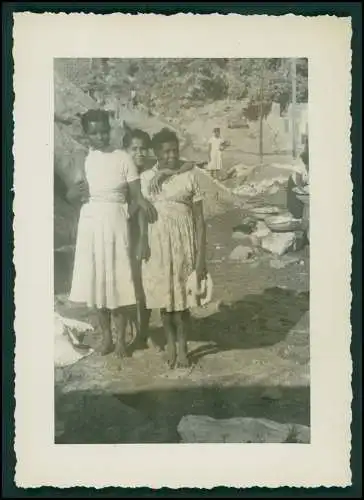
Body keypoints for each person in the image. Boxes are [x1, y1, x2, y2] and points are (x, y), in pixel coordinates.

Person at [68, 110, 154, 358]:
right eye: (94, 132)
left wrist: (143, 208)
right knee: (96, 283)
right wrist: (78, 192)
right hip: (91, 222)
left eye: (104, 130)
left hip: (116, 221)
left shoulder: (123, 158)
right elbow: (72, 196)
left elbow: (137, 196)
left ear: (111, 128)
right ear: (86, 134)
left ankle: (121, 341)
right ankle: (106, 338)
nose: (101, 136)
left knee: (118, 282)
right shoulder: (84, 159)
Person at [122, 128, 195, 351]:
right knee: (129, 285)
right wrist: (139, 203)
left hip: (148, 231)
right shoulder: (120, 167)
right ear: (125, 150)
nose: (139, 153)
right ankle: (133, 334)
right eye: (134, 149)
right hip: (123, 229)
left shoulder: (150, 169)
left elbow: (187, 163)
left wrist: (164, 173)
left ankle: (143, 332)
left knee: (146, 284)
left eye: (143, 149)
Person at [140, 128, 207, 369]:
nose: (171, 155)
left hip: (183, 246)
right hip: (158, 246)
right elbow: (140, 214)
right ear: (156, 152)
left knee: (182, 304)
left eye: (174, 150)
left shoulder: (190, 176)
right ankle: (170, 345)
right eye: (165, 151)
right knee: (165, 303)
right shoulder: (146, 178)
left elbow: (200, 220)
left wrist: (201, 259)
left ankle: (183, 347)